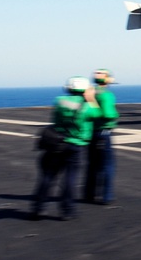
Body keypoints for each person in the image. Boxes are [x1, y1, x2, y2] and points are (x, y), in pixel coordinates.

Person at [31, 77, 100, 221]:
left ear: (68, 88)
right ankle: (67, 211)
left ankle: (38, 208)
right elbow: (98, 115)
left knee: (48, 177)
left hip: (56, 143)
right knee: (70, 179)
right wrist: (91, 98)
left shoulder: (60, 101)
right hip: (76, 145)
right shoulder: (88, 106)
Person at [84, 68, 119, 205]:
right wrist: (116, 116)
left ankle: (89, 194)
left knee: (92, 165)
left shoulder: (90, 92)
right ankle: (107, 196)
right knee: (107, 166)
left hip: (90, 133)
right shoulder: (106, 95)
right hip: (103, 133)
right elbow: (109, 114)